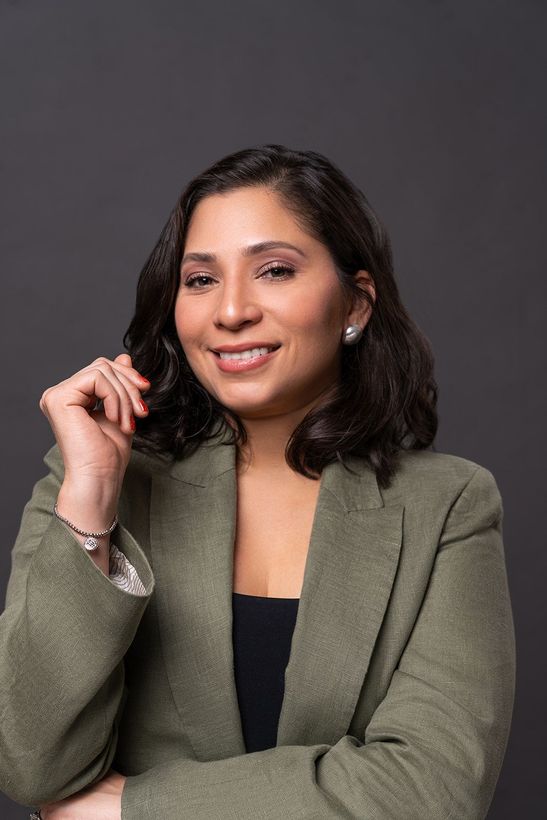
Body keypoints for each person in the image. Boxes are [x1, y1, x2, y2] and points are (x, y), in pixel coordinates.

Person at [0, 144, 515, 819]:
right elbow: (30, 765)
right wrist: (92, 504)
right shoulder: (90, 477)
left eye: (273, 270)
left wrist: (133, 809)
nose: (231, 310)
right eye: (200, 279)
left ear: (356, 304)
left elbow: (430, 791)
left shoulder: (446, 505)